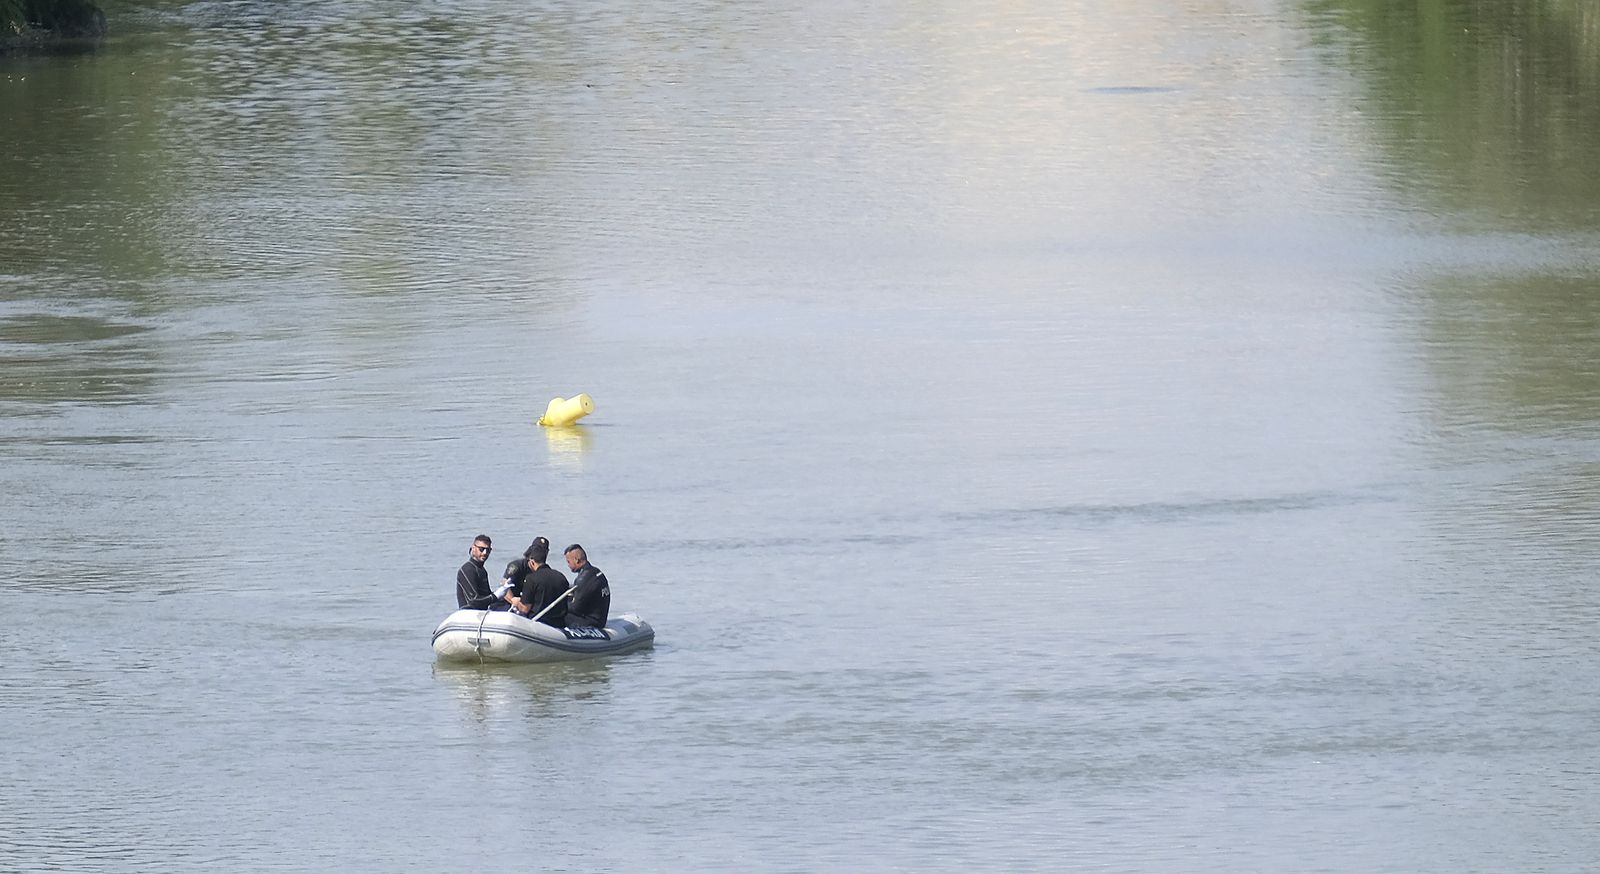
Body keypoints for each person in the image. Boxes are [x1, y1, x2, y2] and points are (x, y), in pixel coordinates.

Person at [519, 537, 570, 627]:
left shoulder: (531, 579)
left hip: (539, 624)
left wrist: (516, 602)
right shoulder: (561, 577)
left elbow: (525, 608)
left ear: (532, 562)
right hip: (559, 624)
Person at [562, 543, 610, 629]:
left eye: (568, 561)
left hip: (592, 622)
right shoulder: (596, 572)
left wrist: (560, 606)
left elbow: (576, 608)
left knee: (559, 615)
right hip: (600, 618)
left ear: (576, 560)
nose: (568, 565)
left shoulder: (583, 579)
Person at [455, 534, 507, 611]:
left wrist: (504, 592)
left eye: (488, 550)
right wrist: (495, 596)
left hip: (481, 614)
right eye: (481, 549)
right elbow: (473, 601)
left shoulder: (482, 570)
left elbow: (487, 596)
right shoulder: (467, 569)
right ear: (473, 548)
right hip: (467, 614)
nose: (485, 553)